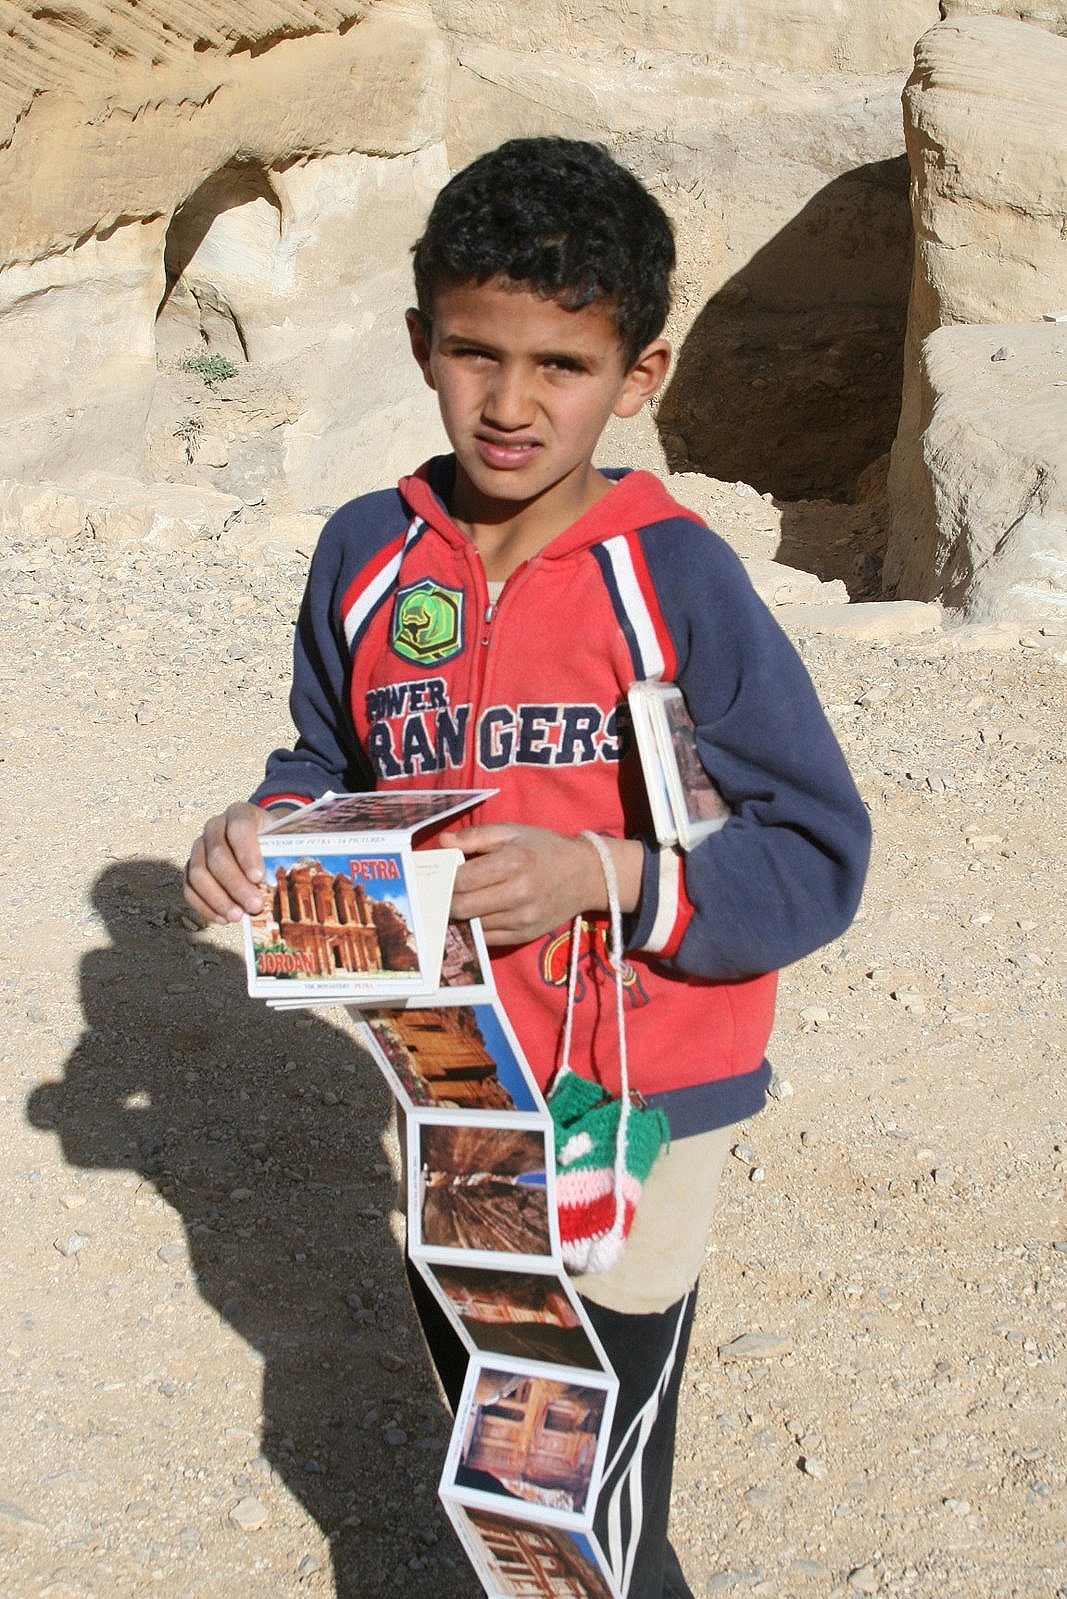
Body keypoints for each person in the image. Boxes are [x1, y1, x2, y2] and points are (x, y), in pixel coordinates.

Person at [184, 137, 871, 1597]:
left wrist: (607, 875)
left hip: (639, 1098)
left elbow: (814, 855)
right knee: (505, 1452)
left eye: (560, 364)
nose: (509, 403)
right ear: (420, 342)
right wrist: (264, 831)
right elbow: (329, 758)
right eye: (473, 353)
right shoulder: (368, 555)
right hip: (453, 1100)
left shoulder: (674, 577)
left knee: (582, 1487)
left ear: (640, 375)